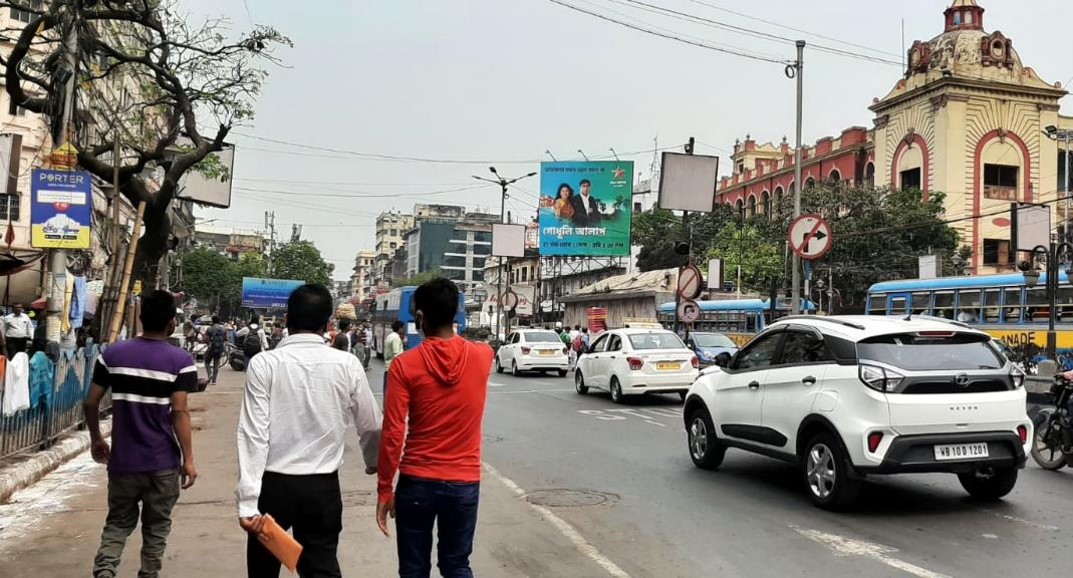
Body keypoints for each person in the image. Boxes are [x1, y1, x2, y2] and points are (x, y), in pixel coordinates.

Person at [237, 284, 382, 578]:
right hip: (322, 488)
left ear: (287, 320)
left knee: (263, 570)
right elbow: (372, 425)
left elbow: (253, 434)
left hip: (273, 486)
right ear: (327, 324)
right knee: (321, 567)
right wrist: (373, 461)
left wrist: (248, 501)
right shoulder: (347, 364)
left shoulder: (265, 364)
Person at [377, 278, 494, 577]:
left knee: (414, 569)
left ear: (419, 318)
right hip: (465, 483)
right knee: (457, 564)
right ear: (455, 315)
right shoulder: (483, 356)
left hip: (417, 482)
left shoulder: (404, 365)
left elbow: (393, 432)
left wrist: (384, 489)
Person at [83, 290, 198, 578]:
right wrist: (189, 459)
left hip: (123, 462)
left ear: (141, 318)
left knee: (118, 522)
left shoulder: (113, 354)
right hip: (162, 462)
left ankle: (105, 570)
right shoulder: (181, 361)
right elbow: (179, 411)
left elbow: (91, 402)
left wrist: (97, 438)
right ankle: (149, 574)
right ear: (172, 323)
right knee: (157, 526)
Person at [383, 320, 405, 392]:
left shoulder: (390, 336)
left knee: (387, 391)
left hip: (388, 367)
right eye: (402, 328)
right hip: (393, 368)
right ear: (399, 328)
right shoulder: (396, 338)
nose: (403, 330)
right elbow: (396, 355)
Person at [204, 316, 227, 386]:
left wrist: (208, 343)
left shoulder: (209, 329)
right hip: (220, 348)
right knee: (216, 364)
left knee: (207, 361)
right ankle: (214, 380)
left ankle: (209, 374)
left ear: (212, 321)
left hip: (211, 348)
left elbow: (206, 339)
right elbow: (226, 339)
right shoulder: (223, 329)